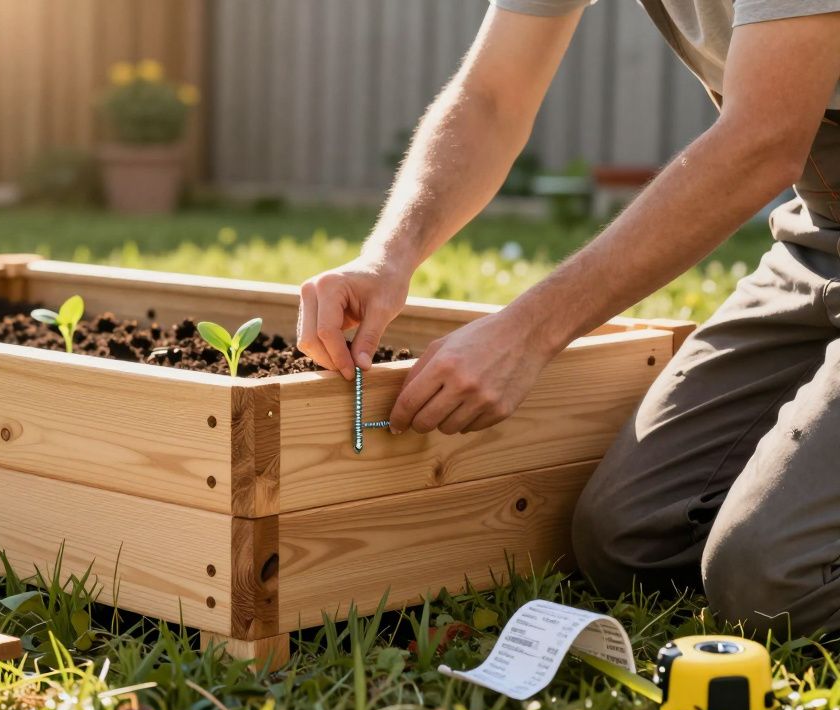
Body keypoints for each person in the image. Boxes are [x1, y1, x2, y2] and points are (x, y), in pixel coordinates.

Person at [296, 1, 840, 637]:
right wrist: (387, 256)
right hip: (822, 238)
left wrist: (527, 333)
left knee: (774, 582)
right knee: (631, 539)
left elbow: (764, 139)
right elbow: (491, 96)